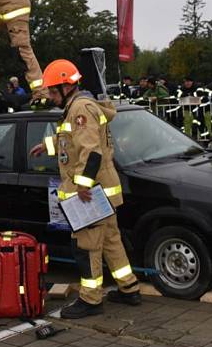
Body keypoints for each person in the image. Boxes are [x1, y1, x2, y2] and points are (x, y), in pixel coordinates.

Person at [32, 59, 140, 319]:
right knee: (111, 240)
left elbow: (90, 153)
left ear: (65, 87)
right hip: (103, 190)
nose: (50, 96)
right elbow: (72, 142)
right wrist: (47, 146)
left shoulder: (80, 109)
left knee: (87, 246)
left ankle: (91, 299)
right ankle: (129, 288)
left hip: (91, 191)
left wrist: (82, 186)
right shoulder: (81, 106)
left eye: (53, 91)